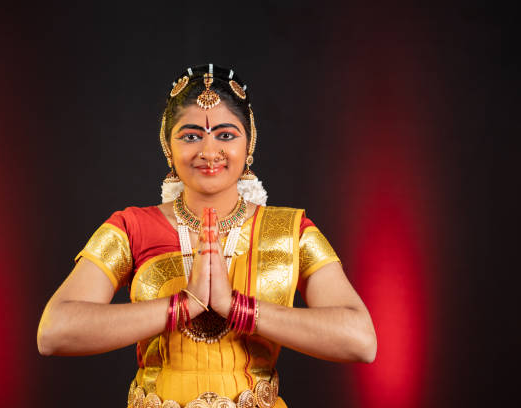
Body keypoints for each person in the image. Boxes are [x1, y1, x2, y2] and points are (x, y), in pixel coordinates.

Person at [37, 64, 376, 408]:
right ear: (167, 145)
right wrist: (182, 305)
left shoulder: (291, 232)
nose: (208, 151)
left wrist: (237, 308)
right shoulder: (131, 227)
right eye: (191, 135)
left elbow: (360, 340)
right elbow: (54, 331)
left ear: (249, 143)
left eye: (226, 135)